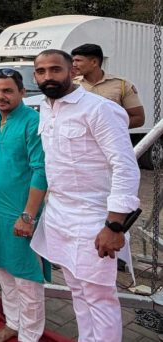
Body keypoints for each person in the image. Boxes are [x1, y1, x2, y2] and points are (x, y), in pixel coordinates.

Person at [31, 49, 140, 342]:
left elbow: (125, 167)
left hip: (95, 219)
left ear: (72, 71)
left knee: (100, 297)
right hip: (59, 216)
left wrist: (115, 225)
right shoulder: (46, 107)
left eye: (55, 69)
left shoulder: (99, 109)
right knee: (77, 291)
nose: (48, 76)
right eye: (41, 71)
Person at [0, 68, 48, 342]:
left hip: (21, 212)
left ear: (23, 92)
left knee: (25, 277)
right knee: (2, 270)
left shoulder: (32, 121)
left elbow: (41, 170)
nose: (1, 96)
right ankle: (13, 322)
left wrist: (28, 215)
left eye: (7, 90)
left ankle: (31, 335)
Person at [71, 43, 145, 128]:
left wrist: (108, 127)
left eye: (78, 60)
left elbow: (138, 118)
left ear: (94, 62)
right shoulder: (71, 84)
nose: (74, 64)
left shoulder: (122, 84)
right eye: (73, 61)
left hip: (111, 139)